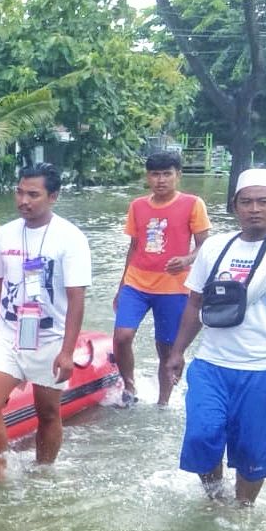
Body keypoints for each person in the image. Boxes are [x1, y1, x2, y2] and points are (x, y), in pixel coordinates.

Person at [163, 168, 266, 506]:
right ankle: (214, 498)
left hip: (263, 368)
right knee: (203, 435)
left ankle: (243, 508)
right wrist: (177, 352)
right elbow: (195, 304)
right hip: (211, 364)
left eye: (263, 201)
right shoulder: (214, 248)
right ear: (234, 206)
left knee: (252, 450)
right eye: (246, 202)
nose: (254, 209)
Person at [0, 164, 92, 477]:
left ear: (52, 197)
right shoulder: (4, 234)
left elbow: (77, 299)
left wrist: (67, 351)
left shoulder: (71, 238)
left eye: (33, 194)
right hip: (8, 333)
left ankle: (43, 471)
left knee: (48, 412)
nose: (23, 200)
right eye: (19, 192)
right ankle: (0, 471)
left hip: (50, 338)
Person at [112, 151, 211, 406]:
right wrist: (122, 285)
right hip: (137, 283)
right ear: (148, 177)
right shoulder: (137, 206)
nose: (161, 180)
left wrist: (187, 259)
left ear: (178, 175)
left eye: (167, 174)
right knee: (122, 336)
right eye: (155, 174)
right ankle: (130, 386)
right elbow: (134, 247)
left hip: (174, 287)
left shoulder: (192, 203)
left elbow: (205, 246)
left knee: (166, 348)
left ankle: (163, 403)